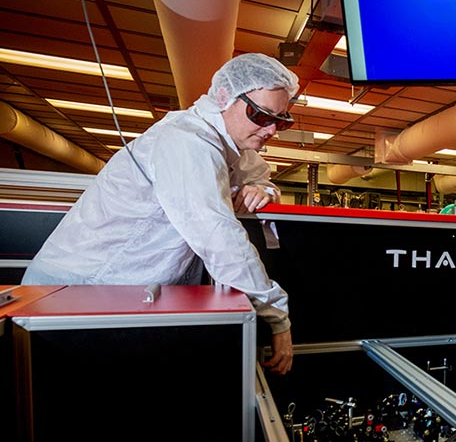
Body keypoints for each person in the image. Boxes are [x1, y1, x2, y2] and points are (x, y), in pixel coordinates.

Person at [22, 52, 298, 374]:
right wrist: (277, 317)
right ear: (225, 97)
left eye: (281, 120)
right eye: (261, 115)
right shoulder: (187, 142)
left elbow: (259, 174)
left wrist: (263, 190)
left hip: (126, 294)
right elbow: (219, 238)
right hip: (78, 293)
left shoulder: (229, 144)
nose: (271, 130)